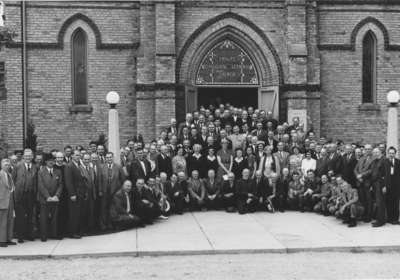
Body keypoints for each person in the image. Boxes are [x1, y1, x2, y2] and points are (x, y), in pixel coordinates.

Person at [13, 148, 38, 243]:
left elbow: (36, 180)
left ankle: (29, 234)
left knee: (30, 215)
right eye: (26, 156)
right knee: (20, 216)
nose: (28, 157)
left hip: (31, 194)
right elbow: (13, 180)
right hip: (20, 194)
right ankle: (20, 236)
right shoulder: (18, 166)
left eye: (29, 156)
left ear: (32, 157)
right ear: (23, 156)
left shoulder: (35, 167)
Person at [37, 154, 62, 241]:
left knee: (55, 217)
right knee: (43, 218)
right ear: (46, 162)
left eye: (52, 160)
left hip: (55, 198)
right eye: (49, 160)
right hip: (45, 199)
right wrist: (47, 196)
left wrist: (56, 195)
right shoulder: (41, 172)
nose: (51, 162)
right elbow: (41, 186)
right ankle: (44, 235)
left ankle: (53, 234)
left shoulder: (58, 171)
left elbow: (60, 185)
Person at [99, 152, 125, 230]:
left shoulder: (118, 167)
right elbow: (99, 180)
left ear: (112, 158)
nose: (109, 159)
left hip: (115, 192)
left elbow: (123, 179)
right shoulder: (101, 167)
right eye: (107, 157)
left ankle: (112, 224)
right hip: (104, 191)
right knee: (103, 208)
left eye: (110, 157)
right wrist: (100, 190)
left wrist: (120, 191)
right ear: (105, 158)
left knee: (113, 208)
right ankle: (103, 224)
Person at [64, 149, 87, 239]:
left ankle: (78, 231)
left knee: (79, 213)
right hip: (74, 194)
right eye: (77, 155)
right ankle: (72, 232)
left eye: (79, 155)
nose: (79, 157)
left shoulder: (79, 165)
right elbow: (68, 182)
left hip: (80, 193)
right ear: (72, 156)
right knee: (74, 214)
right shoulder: (69, 166)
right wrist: (72, 194)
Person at [353, 144, 374, 222]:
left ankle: (368, 216)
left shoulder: (374, 159)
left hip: (367, 183)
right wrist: (357, 176)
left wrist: (361, 175)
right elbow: (355, 169)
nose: (367, 150)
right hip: (359, 182)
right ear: (364, 150)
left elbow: (371, 170)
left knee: (369, 200)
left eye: (369, 149)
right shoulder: (362, 158)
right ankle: (363, 214)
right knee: (362, 200)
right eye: (366, 149)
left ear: (371, 150)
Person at [0, 159, 16, 247]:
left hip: (10, 200)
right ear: (1, 165)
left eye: (8, 165)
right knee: (2, 221)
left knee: (10, 220)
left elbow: (11, 187)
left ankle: (8, 239)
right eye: (5, 164)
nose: (7, 166)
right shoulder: (0, 174)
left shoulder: (9, 175)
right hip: (2, 200)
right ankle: (1, 240)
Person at [369, 148, 387, 227]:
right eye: (374, 152)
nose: (375, 154)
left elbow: (386, 174)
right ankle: (378, 219)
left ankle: (381, 221)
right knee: (377, 202)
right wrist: (371, 185)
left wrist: (385, 186)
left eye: (377, 152)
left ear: (380, 152)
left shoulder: (384, 160)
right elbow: (372, 173)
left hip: (381, 184)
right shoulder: (374, 161)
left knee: (380, 203)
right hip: (374, 184)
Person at [385, 146, 400, 225]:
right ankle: (389, 218)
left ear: (395, 154)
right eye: (390, 153)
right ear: (388, 153)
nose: (391, 155)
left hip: (396, 186)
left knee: (396, 203)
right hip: (388, 185)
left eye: (393, 153)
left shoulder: (398, 162)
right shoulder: (385, 161)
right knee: (388, 202)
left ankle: (395, 219)